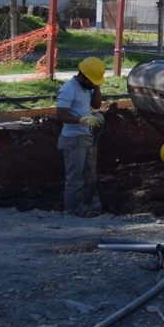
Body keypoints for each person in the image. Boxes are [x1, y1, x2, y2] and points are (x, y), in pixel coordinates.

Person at [56, 57, 105, 216]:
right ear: (82, 76)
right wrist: (81, 119)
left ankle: (89, 205)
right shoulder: (68, 88)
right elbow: (61, 114)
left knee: (89, 175)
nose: (92, 85)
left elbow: (96, 105)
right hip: (73, 139)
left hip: (85, 136)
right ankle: (73, 209)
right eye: (91, 82)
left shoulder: (88, 86)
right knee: (75, 178)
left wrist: (97, 87)